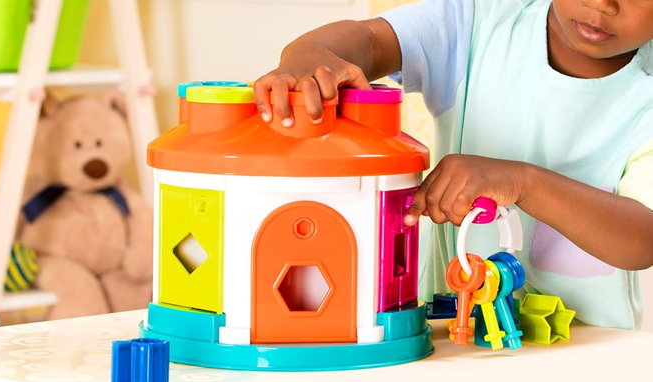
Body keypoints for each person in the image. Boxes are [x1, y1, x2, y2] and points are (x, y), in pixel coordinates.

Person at [253, 0, 653, 329]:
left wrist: (523, 182)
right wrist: (310, 55)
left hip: (590, 357)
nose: (603, 4)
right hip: (452, 335)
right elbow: (371, 41)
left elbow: (644, 237)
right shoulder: (476, 23)